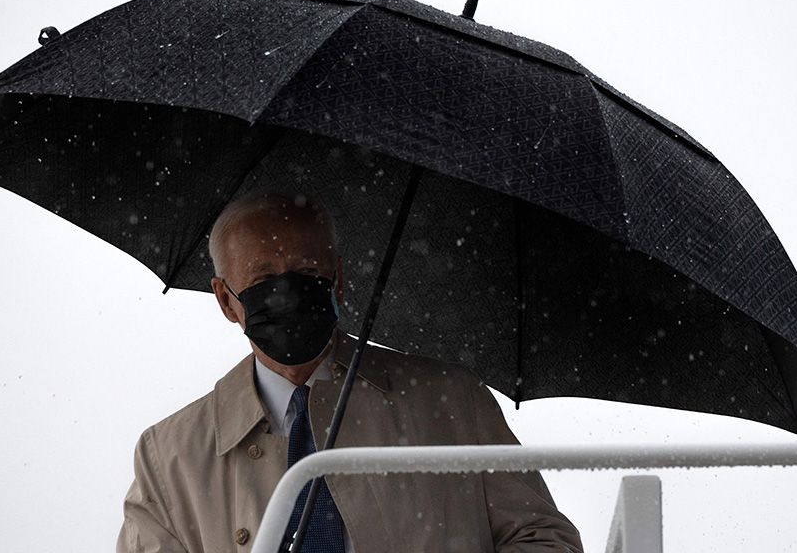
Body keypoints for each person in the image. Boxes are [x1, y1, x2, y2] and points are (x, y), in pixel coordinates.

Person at [117, 190, 584, 553]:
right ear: (225, 300)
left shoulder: (451, 403)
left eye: (306, 270)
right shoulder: (170, 456)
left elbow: (543, 539)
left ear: (338, 278)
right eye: (263, 280)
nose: (288, 292)